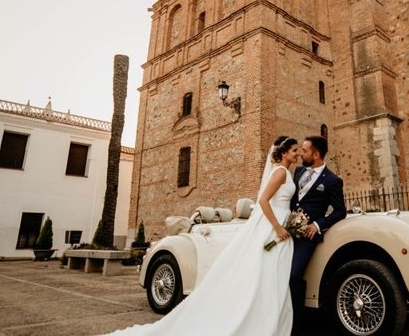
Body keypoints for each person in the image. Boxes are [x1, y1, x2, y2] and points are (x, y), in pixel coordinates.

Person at [107, 136, 300, 336]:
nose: (298, 154)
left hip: (280, 225)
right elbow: (263, 200)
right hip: (273, 227)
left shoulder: (287, 172)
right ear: (284, 153)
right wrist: (277, 227)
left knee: (272, 272)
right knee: (266, 271)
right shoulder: (280, 173)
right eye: (294, 150)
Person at [289, 135, 346, 335]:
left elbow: (340, 211)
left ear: (316, 154)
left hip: (308, 236)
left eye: (304, 151)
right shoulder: (298, 172)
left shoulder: (332, 180)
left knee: (294, 275)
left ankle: (296, 326)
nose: (301, 154)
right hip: (288, 232)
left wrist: (317, 224)